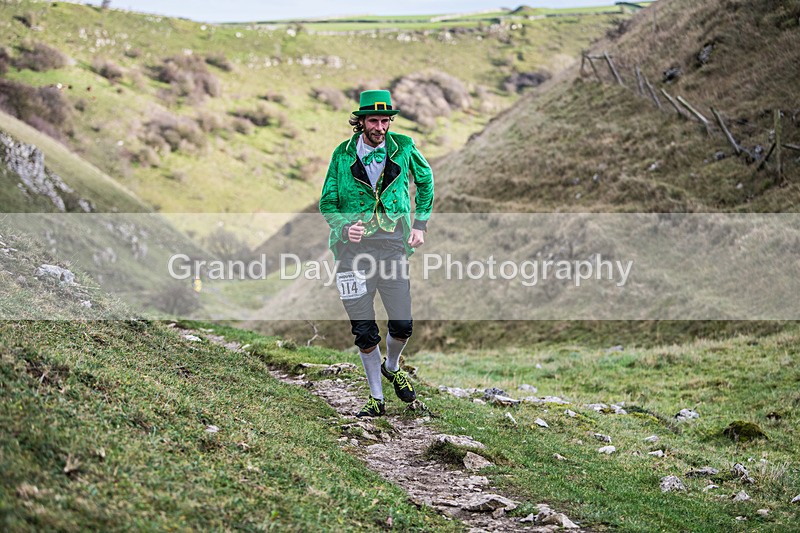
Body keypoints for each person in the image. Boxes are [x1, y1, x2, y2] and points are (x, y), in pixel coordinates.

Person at [319, 90, 434, 417]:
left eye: (385, 120)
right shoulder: (341, 155)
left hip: (392, 244)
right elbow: (327, 203)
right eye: (374, 120)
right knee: (364, 329)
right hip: (350, 252)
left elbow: (426, 183)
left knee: (402, 323)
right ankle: (376, 400)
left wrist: (420, 224)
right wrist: (344, 227)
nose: (380, 127)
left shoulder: (405, 147)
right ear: (361, 122)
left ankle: (392, 365)